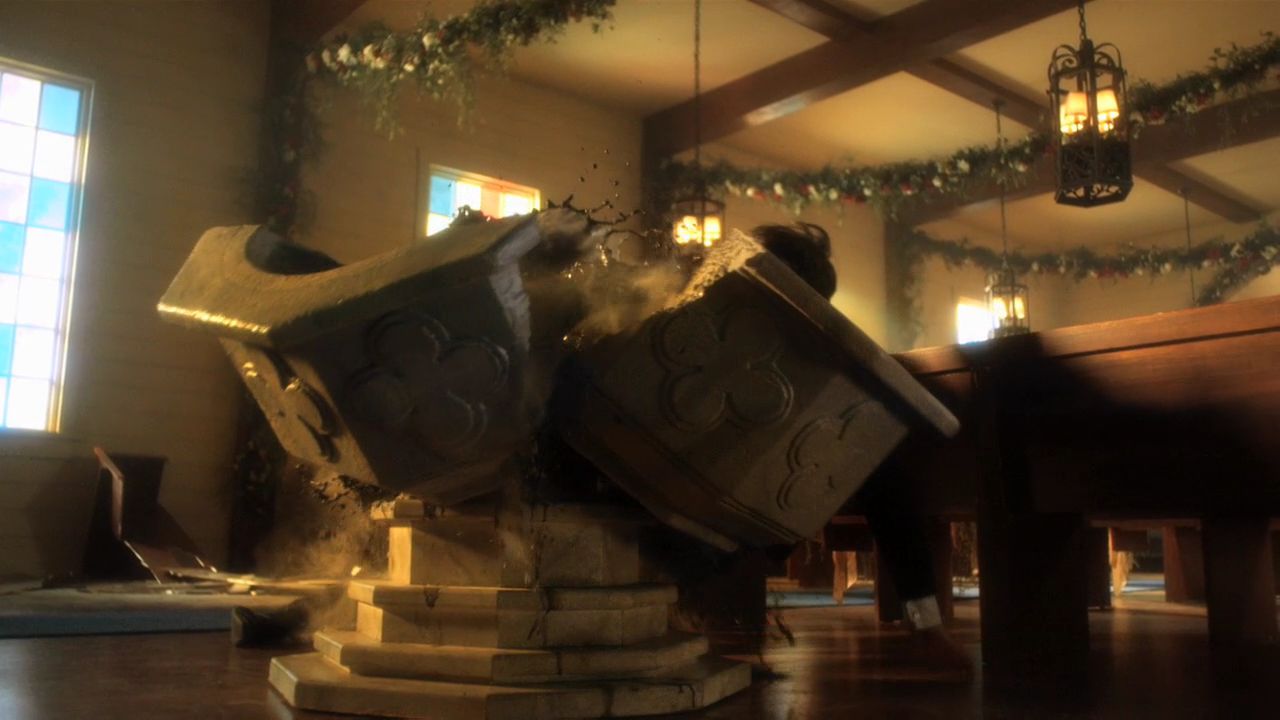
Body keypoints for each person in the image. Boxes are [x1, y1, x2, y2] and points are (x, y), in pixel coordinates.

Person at [752, 222, 970, 672]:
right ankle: (927, 629)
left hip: (772, 493)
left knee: (879, 463)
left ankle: (927, 627)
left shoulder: (816, 349)